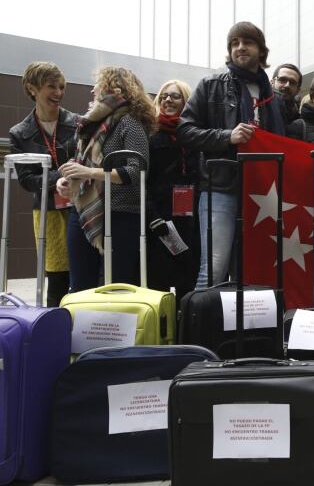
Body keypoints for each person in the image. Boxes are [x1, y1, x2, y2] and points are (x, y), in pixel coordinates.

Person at [178, 21, 285, 289]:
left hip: (263, 192)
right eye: (234, 43)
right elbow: (185, 131)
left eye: (247, 42)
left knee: (252, 271)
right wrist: (227, 136)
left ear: (261, 50)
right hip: (221, 188)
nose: (240, 48)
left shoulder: (275, 96)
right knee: (213, 269)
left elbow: (288, 141)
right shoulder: (210, 85)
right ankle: (203, 331)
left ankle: (240, 331)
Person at [56, 66, 153, 292]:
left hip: (120, 214)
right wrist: (67, 180)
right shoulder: (92, 124)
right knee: (79, 286)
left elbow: (137, 171)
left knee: (115, 286)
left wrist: (88, 173)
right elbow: (79, 162)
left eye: (98, 85)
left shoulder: (130, 121)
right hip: (83, 211)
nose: (93, 91)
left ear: (112, 89)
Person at [9, 62, 78, 305]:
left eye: (61, 87)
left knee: (83, 278)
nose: (58, 93)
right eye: (51, 86)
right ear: (32, 89)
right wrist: (57, 177)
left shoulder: (79, 124)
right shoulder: (19, 133)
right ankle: (55, 334)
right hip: (48, 214)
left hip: (81, 208)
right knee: (56, 280)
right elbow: (27, 180)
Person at [146, 79, 199, 300]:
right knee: (158, 284)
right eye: (164, 95)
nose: (168, 100)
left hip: (190, 220)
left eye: (175, 96)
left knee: (188, 281)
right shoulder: (150, 133)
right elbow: (143, 181)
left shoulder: (196, 134)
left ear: (185, 101)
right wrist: (152, 217)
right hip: (160, 220)